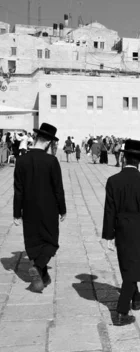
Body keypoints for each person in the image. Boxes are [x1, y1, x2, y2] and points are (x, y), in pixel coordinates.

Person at [102, 139, 140, 326]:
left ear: (124, 157)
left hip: (121, 228)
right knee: (133, 268)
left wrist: (108, 235)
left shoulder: (113, 181)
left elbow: (109, 209)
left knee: (129, 265)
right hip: (139, 230)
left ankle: (136, 297)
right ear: (139, 160)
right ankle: (121, 312)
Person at [13, 123, 66, 293]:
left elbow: (18, 189)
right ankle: (37, 266)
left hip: (28, 208)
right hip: (48, 208)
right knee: (51, 241)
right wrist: (62, 209)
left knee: (33, 240)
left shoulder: (21, 160)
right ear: (49, 142)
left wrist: (16, 213)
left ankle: (42, 278)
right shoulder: (51, 161)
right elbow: (58, 188)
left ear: (35, 138)